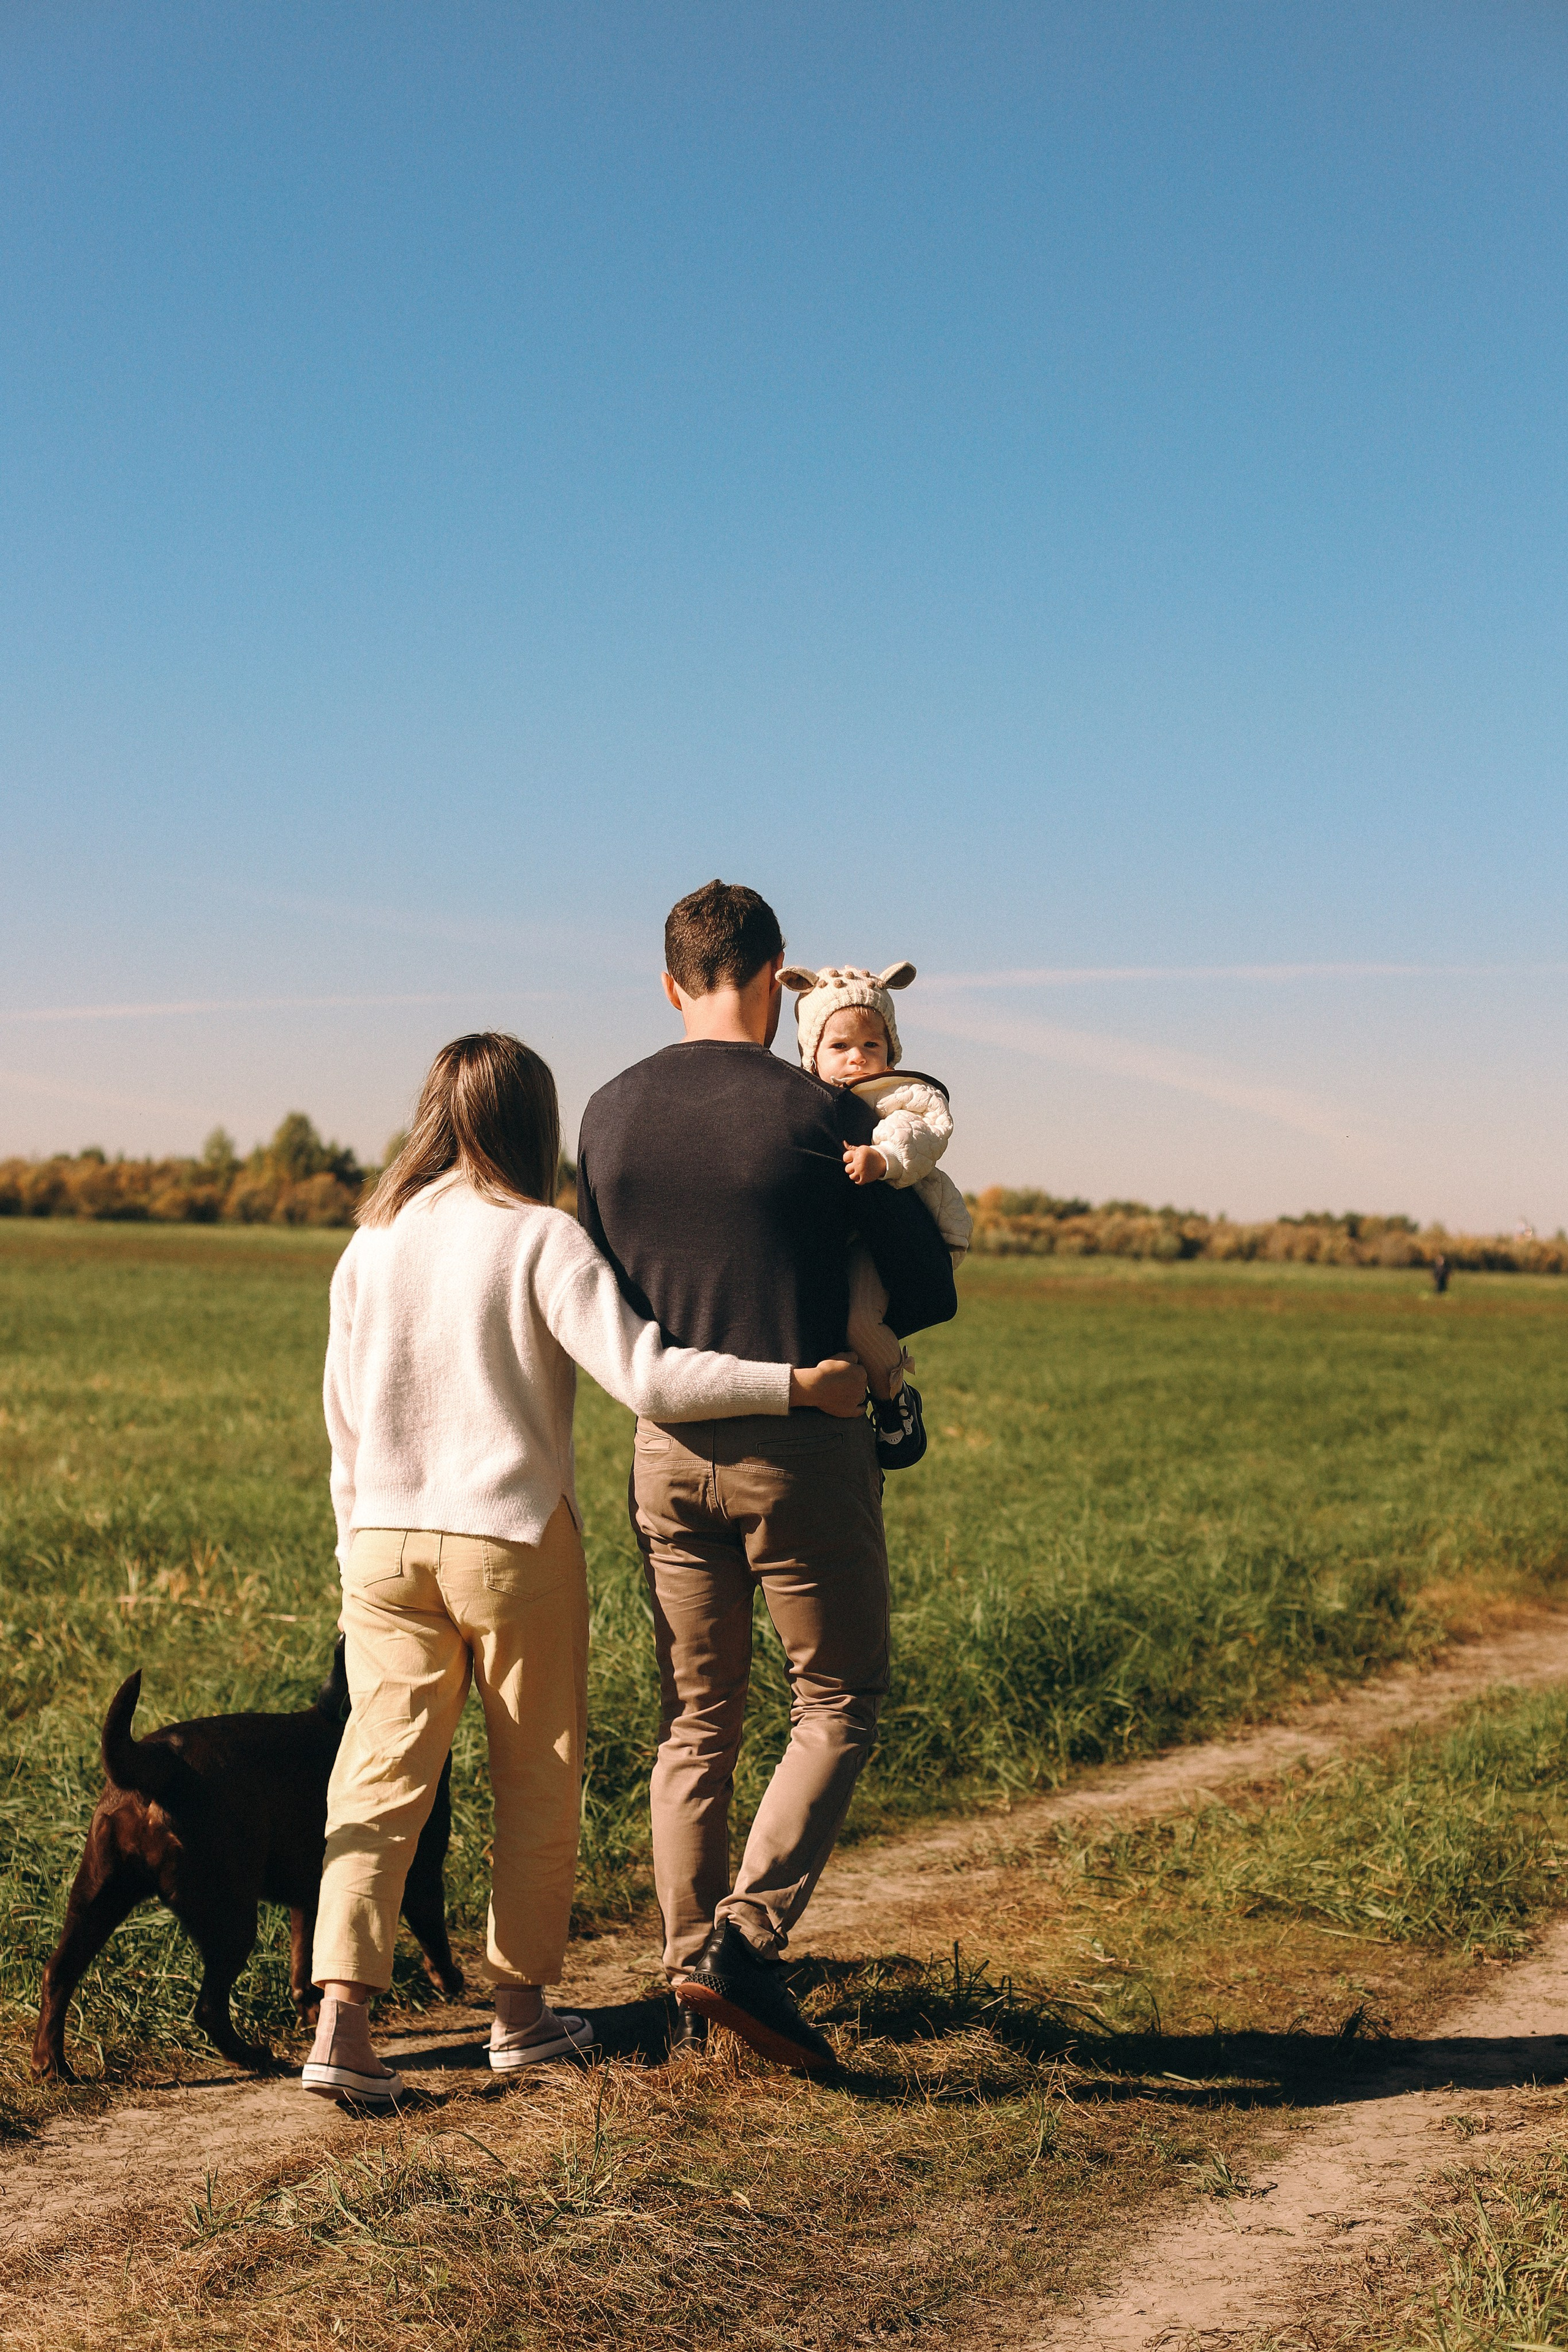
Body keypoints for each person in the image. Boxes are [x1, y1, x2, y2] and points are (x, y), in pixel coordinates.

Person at [301, 1030, 866, 2105]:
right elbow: (648, 1378)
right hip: (510, 1542)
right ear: (534, 1124)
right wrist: (798, 1386)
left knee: (376, 1782)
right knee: (534, 1778)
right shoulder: (539, 1240)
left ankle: (341, 2025)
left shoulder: (368, 1242)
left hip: (380, 1542)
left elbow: (341, 1428)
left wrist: (350, 1555)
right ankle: (520, 2018)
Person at [576, 881, 959, 2073]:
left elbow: (602, 1295)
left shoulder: (604, 1114)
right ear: (776, 973)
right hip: (799, 1443)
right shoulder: (817, 1117)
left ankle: (691, 1968)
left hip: (661, 1452)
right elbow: (927, 1288)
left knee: (696, 1720)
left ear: (668, 980)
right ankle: (742, 1942)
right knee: (835, 1700)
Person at [780, 960, 973, 1466]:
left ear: (891, 1050)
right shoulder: (804, 1103)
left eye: (872, 1046)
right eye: (839, 1047)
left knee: (860, 1323)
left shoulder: (898, 1095)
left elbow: (921, 1134)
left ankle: (894, 1402)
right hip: (833, 1240)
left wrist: (882, 1159)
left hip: (885, 1239)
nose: (858, 1059)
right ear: (811, 1054)